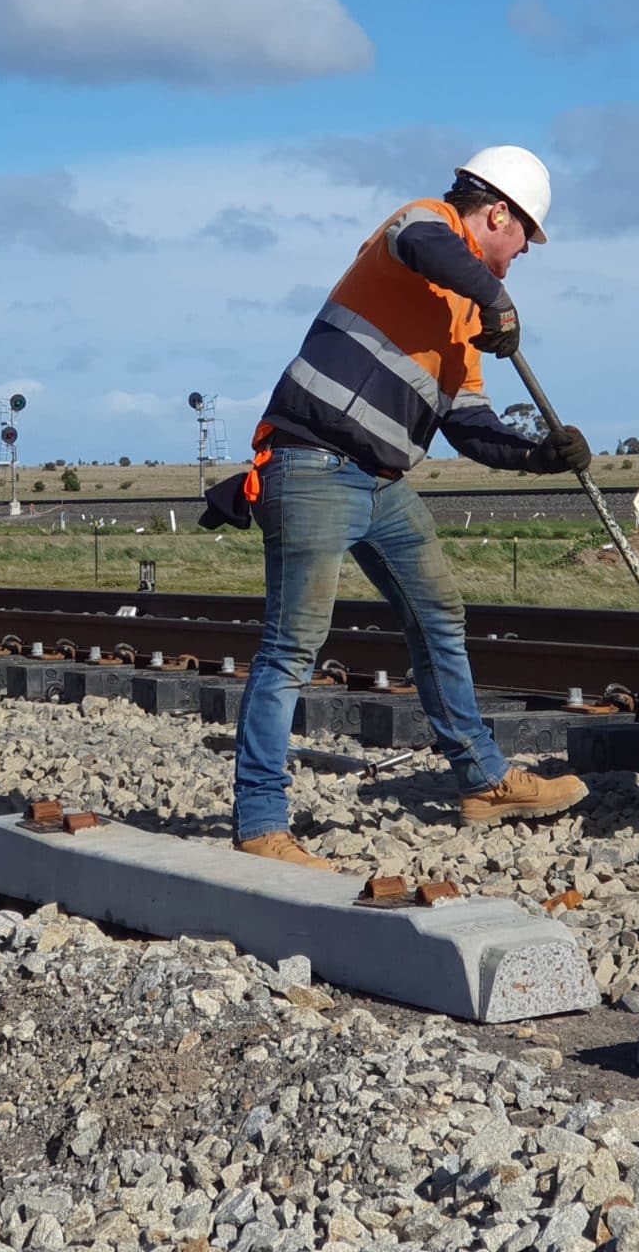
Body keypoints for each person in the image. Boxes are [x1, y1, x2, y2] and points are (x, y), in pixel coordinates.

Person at [206, 146, 595, 866]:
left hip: (383, 483)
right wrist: (495, 296)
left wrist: (540, 453)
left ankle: (483, 780)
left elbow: (469, 426)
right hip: (312, 464)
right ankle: (261, 825)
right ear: (496, 214)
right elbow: (427, 244)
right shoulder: (421, 227)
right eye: (520, 243)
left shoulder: (462, 327)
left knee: (439, 615)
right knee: (291, 650)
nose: (518, 261)